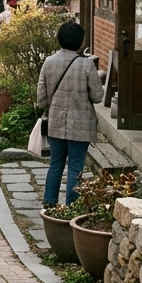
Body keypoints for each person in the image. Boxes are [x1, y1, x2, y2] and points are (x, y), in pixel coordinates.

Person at [37, 21, 104, 208]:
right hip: (81, 125)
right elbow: (98, 96)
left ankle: (49, 202)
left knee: (55, 164)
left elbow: (41, 100)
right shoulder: (86, 65)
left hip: (56, 123)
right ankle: (72, 207)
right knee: (76, 167)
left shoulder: (49, 63)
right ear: (80, 42)